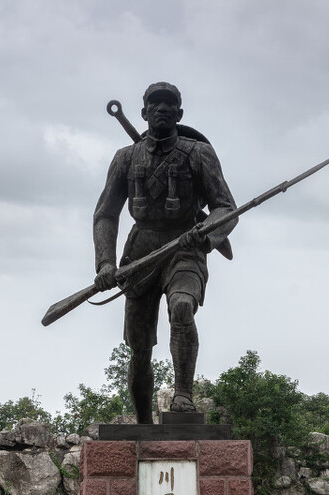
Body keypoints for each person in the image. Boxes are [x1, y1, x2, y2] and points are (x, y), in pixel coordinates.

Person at [92, 81, 237, 423]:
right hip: (140, 253)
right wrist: (105, 263)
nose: (161, 110)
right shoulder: (125, 158)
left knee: (183, 307)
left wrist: (206, 237)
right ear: (143, 113)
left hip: (184, 246)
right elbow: (105, 214)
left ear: (179, 114)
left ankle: (183, 396)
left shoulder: (198, 153)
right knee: (139, 347)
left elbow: (225, 207)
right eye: (154, 105)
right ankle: (143, 422)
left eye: (169, 106)